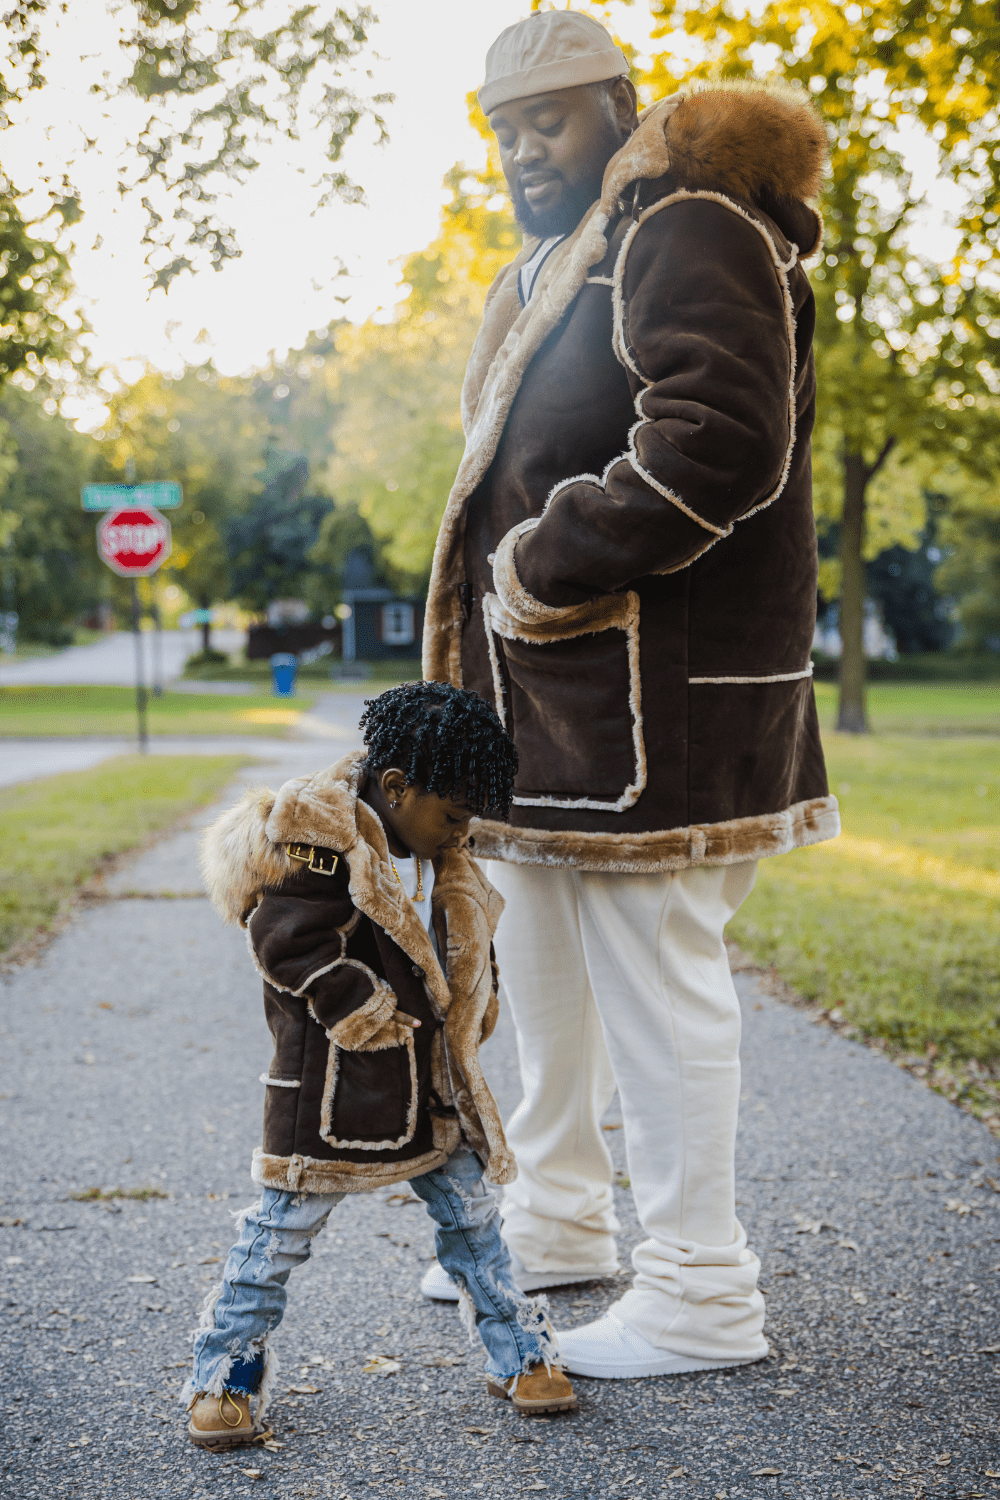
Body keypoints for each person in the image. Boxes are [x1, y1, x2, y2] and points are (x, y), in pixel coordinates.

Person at [420, 11, 840, 1378]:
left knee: (656, 973)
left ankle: (704, 1293)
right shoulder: (560, 259)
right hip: (564, 700)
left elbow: (721, 436)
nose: (521, 146)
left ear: (617, 105)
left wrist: (544, 556)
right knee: (543, 941)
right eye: (502, 126)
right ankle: (555, 1217)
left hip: (658, 703)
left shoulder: (685, 220)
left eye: (547, 116)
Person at [183, 682, 576, 1449]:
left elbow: (458, 941)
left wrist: (475, 1002)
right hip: (335, 1084)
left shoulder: (438, 849)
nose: (462, 830)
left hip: (431, 1082)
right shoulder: (319, 837)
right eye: (455, 813)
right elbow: (284, 936)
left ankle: (520, 1351)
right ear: (396, 788)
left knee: (473, 1222)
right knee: (278, 1233)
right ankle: (224, 1369)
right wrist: (360, 1007)